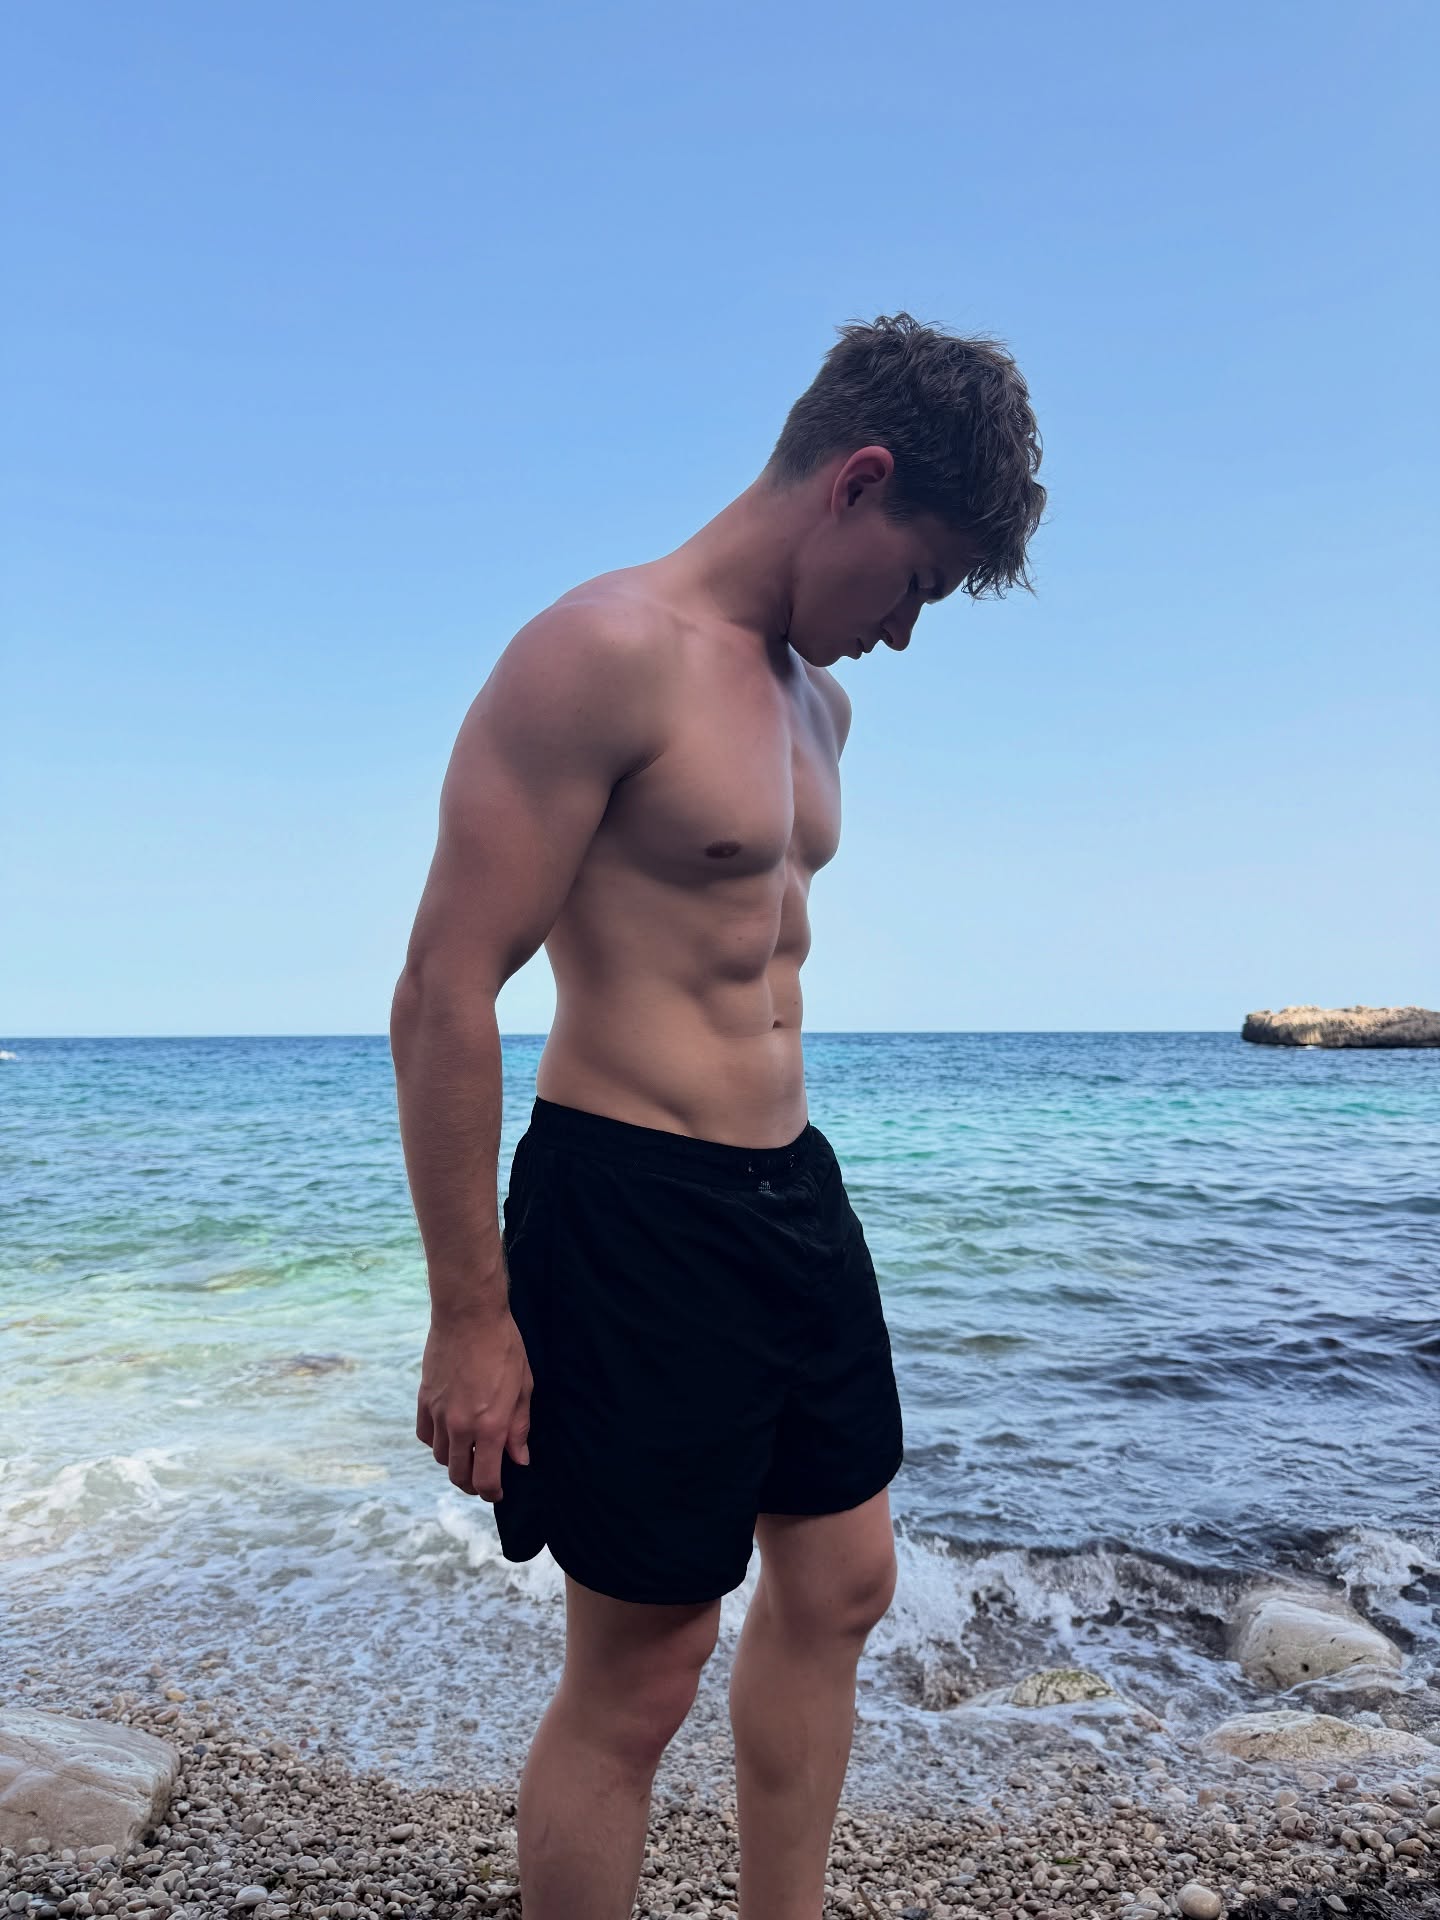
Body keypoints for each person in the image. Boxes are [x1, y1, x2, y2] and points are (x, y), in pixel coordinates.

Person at [390, 310, 1045, 1919]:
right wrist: (470, 1312)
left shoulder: (821, 705)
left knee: (845, 1581)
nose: (904, 633)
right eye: (917, 582)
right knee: (644, 1668)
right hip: (629, 1201)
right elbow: (445, 989)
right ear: (857, 481)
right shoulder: (598, 651)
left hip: (790, 1191)